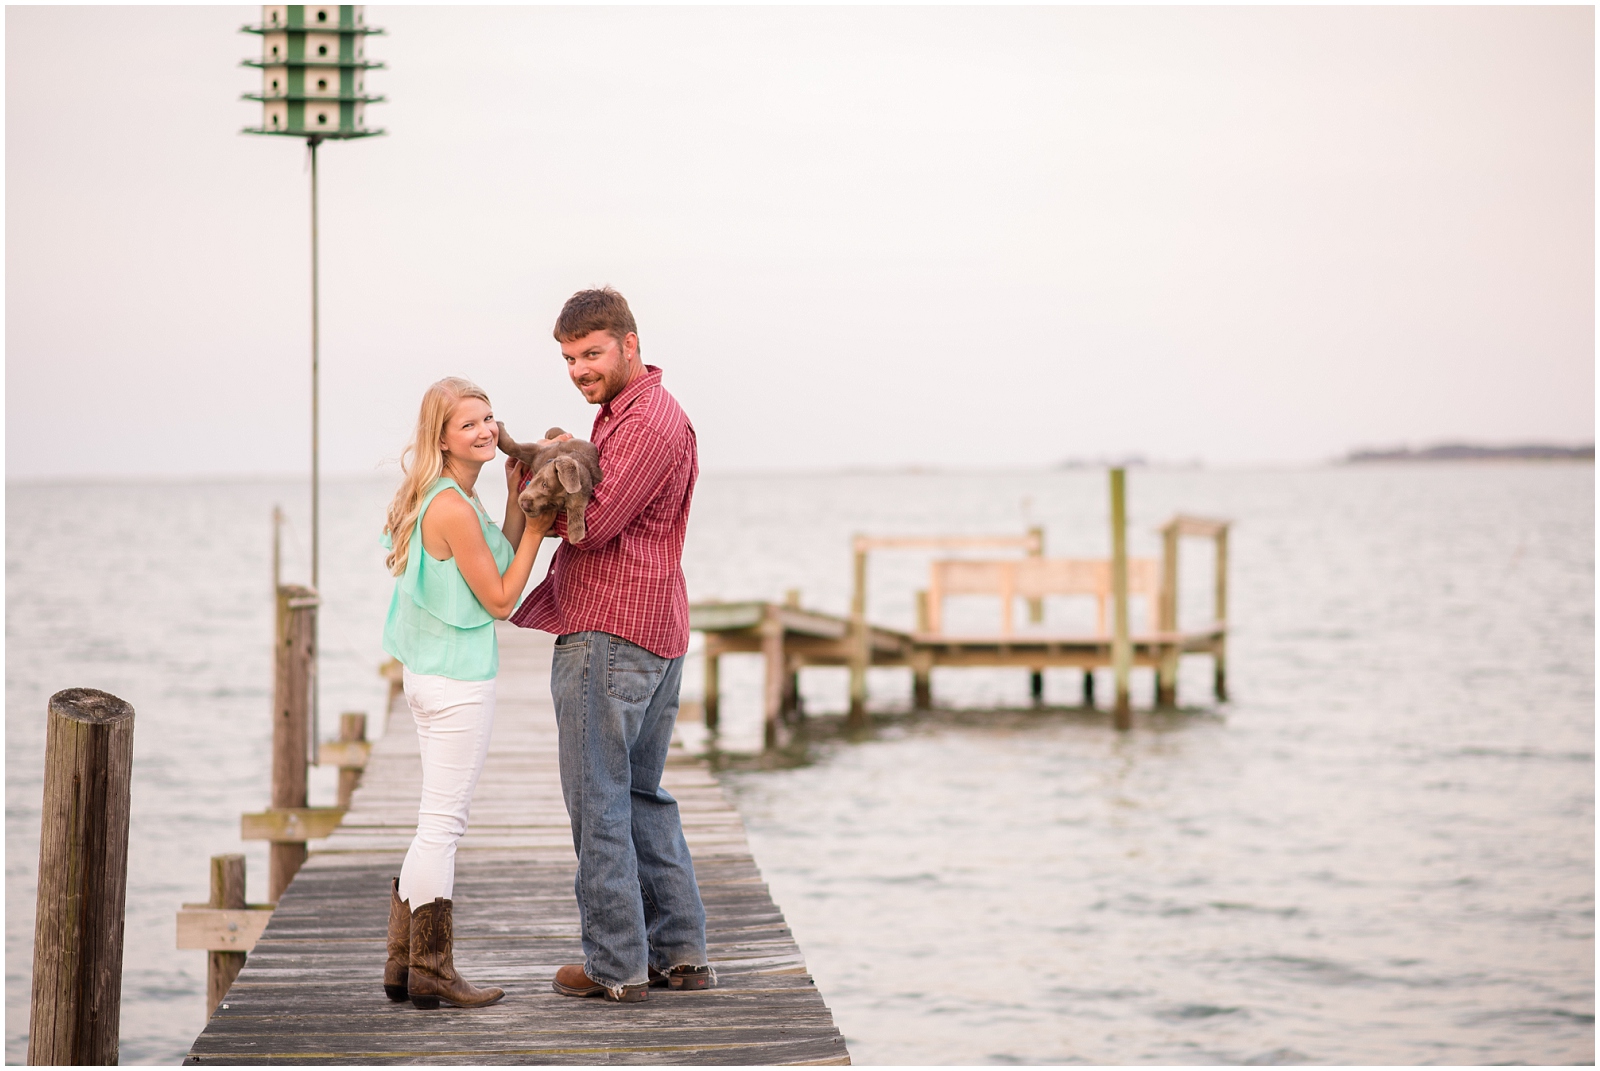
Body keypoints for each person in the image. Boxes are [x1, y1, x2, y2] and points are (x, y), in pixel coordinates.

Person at [512, 287, 712, 1003]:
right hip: (653, 626)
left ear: (630, 343)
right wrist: (571, 449)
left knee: (598, 799)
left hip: (611, 629)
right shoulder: (631, 415)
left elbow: (592, 523)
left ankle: (613, 964)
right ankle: (680, 953)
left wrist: (539, 479)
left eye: (592, 353)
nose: (579, 368)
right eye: (569, 357)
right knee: (640, 795)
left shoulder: (649, 423)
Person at [379, 376, 553, 1010]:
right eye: (469, 425)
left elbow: (492, 561)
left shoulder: (446, 497)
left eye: (489, 419)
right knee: (443, 827)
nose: (486, 431)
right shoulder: (451, 506)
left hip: (429, 675)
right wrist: (538, 521)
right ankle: (433, 969)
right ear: (442, 438)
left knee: (433, 820)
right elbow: (503, 598)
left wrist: (513, 508)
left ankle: (403, 964)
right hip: (456, 682)